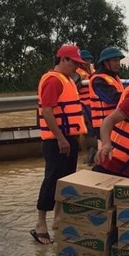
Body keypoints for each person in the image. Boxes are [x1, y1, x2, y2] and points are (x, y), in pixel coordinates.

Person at [31, 45, 87, 244]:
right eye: (74, 63)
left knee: (66, 179)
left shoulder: (68, 80)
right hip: (56, 140)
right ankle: (41, 223)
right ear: (63, 59)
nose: (76, 68)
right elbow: (47, 111)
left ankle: (58, 218)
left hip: (67, 138)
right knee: (52, 179)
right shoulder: (54, 80)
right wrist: (61, 138)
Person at [88, 47, 126, 162]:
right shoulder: (98, 80)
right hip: (103, 126)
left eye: (118, 60)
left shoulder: (114, 77)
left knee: (116, 157)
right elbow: (112, 98)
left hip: (115, 124)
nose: (118, 63)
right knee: (106, 158)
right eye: (114, 60)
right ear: (105, 62)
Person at [73, 49, 96, 164]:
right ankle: (84, 154)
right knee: (83, 130)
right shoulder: (78, 72)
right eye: (85, 59)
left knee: (95, 127)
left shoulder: (92, 70)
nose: (87, 61)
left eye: (89, 59)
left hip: (92, 104)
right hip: (82, 104)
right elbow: (74, 86)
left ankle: (94, 151)